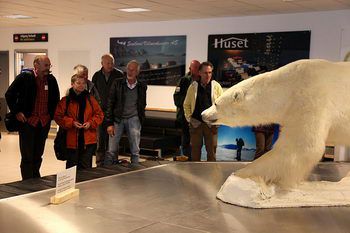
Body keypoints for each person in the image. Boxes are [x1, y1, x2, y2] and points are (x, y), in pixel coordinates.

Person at [5, 55, 60, 180]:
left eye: (49, 65)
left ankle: (35, 177)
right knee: (27, 156)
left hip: (43, 123)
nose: (48, 68)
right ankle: (27, 181)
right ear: (36, 65)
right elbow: (9, 94)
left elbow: (55, 99)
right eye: (46, 65)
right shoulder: (24, 78)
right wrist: (17, 112)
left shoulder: (51, 80)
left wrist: (51, 115)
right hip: (28, 123)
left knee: (38, 155)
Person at [54, 74, 104, 169]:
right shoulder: (66, 101)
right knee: (71, 167)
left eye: (83, 83)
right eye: (78, 83)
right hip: (71, 140)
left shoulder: (91, 99)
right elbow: (58, 116)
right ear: (72, 84)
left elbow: (99, 115)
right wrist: (72, 123)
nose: (81, 85)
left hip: (88, 140)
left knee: (86, 168)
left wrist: (90, 123)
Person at [104, 60, 147, 166]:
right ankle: (107, 171)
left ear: (137, 72)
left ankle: (135, 170)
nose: (130, 72)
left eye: (133, 70)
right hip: (118, 119)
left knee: (135, 148)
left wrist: (140, 119)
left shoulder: (142, 86)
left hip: (134, 118)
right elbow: (110, 103)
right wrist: (109, 123)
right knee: (112, 149)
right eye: (128, 69)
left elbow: (142, 103)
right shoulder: (117, 83)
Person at [183, 61, 223, 161]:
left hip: (211, 125)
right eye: (205, 73)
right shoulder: (193, 86)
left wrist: (217, 121)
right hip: (196, 124)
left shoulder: (216, 86)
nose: (208, 75)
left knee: (212, 153)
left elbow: (222, 105)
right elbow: (186, 104)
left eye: (210, 72)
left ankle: (211, 175)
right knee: (195, 153)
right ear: (199, 73)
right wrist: (190, 119)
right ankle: (195, 175)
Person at [92, 54, 124, 166]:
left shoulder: (119, 75)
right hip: (100, 113)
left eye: (112, 62)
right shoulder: (96, 76)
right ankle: (100, 164)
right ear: (102, 64)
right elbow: (93, 95)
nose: (110, 65)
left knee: (113, 142)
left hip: (114, 114)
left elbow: (122, 96)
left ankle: (112, 164)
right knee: (100, 141)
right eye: (108, 63)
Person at [173, 60, 200, 161]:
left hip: (198, 116)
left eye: (199, 67)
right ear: (190, 69)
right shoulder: (184, 80)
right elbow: (176, 98)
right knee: (186, 140)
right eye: (195, 68)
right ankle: (186, 161)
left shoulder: (202, 80)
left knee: (197, 140)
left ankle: (196, 160)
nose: (197, 70)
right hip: (185, 116)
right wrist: (188, 104)